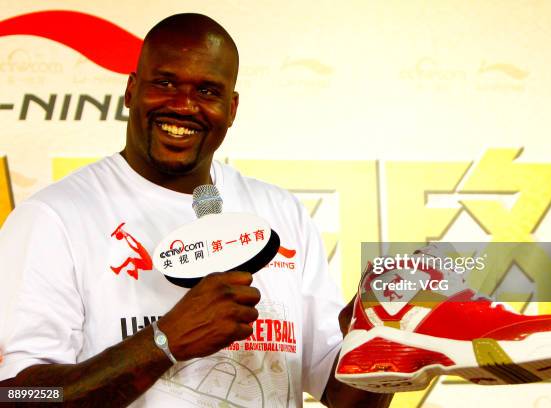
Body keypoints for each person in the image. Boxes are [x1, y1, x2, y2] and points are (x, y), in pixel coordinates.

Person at [0, 13, 392, 407]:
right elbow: (20, 396)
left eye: (207, 91)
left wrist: (383, 340)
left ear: (232, 107)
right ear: (131, 91)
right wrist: (163, 342)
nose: (183, 106)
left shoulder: (280, 212)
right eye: (165, 83)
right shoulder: (53, 218)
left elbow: (343, 395)